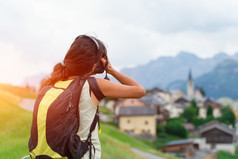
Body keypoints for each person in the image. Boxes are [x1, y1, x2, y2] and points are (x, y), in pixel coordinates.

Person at [31, 35, 146, 159]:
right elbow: (139, 91)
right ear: (93, 65)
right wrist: (111, 70)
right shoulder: (93, 85)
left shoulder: (51, 86)